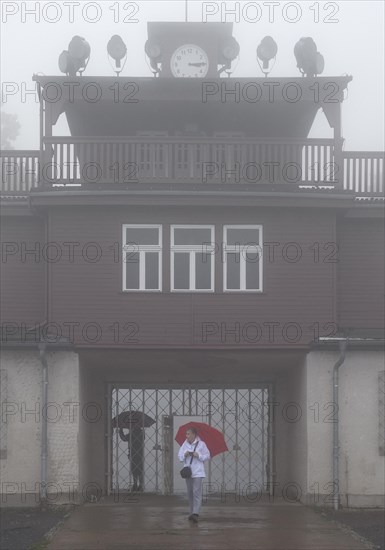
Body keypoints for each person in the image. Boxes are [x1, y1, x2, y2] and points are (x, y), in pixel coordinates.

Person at [178, 426, 210, 523]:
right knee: (190, 493)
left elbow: (208, 455)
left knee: (196, 492)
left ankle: (196, 513)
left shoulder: (201, 444)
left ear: (194, 434)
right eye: (186, 434)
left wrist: (199, 455)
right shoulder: (184, 444)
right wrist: (185, 454)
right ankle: (191, 512)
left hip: (198, 472)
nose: (186, 436)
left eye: (188, 434)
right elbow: (179, 456)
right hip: (188, 472)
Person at [119, 426, 145, 492]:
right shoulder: (141, 434)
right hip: (140, 454)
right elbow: (143, 438)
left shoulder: (131, 434)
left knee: (134, 470)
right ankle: (141, 486)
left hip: (133, 454)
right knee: (140, 470)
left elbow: (123, 438)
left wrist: (120, 430)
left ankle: (135, 485)